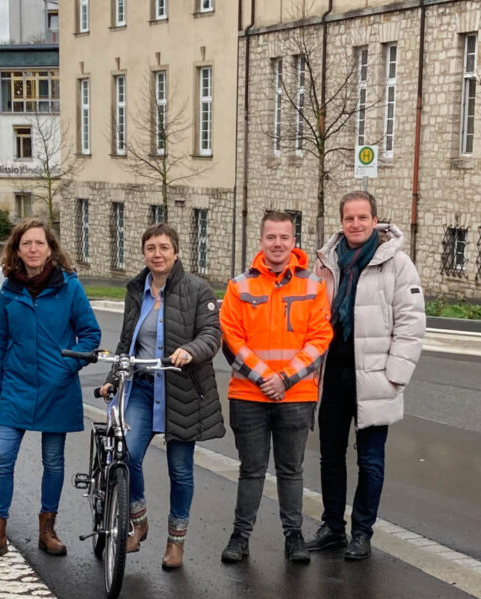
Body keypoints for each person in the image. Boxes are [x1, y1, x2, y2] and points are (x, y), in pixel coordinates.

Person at [97, 224, 223, 570]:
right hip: (141, 385)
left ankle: (176, 542)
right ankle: (138, 521)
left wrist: (190, 350)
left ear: (176, 251)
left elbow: (212, 334)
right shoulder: (137, 289)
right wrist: (112, 380)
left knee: (180, 470)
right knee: (127, 454)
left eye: (164, 247)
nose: (157, 253)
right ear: (144, 253)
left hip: (181, 388)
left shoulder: (197, 289)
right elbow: (127, 342)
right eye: (150, 247)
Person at [309, 191, 425, 561]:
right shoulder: (327, 263)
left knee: (370, 460)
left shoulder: (397, 263)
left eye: (362, 218)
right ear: (340, 222)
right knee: (330, 456)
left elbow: (411, 323)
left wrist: (396, 375)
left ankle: (362, 532)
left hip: (375, 376)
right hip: (333, 375)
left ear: (376, 221)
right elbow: (311, 317)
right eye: (349, 218)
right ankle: (332, 526)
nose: (356, 224)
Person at [0, 219, 100, 558]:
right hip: (15, 387)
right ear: (17, 250)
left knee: (53, 460)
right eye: (26, 244)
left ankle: (48, 530)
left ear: (50, 249)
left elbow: (91, 336)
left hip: (57, 389)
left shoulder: (70, 287)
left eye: (39, 243)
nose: (33, 249)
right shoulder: (10, 291)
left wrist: (66, 366)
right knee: (2, 459)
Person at [219, 211, 333, 565]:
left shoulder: (313, 286)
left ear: (294, 242)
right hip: (249, 394)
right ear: (261, 240)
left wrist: (284, 379)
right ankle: (240, 536)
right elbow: (231, 339)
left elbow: (320, 339)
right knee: (251, 469)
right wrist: (264, 377)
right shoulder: (239, 286)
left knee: (291, 470)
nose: (278, 244)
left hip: (296, 395)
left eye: (285, 237)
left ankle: (293, 535)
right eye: (272, 237)